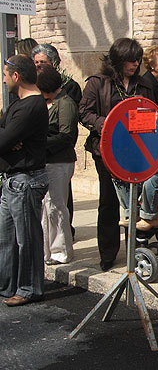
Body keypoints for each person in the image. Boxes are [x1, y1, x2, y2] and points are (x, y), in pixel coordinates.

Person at [79, 37, 155, 271]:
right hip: (105, 151)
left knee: (134, 202)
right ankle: (108, 253)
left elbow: (152, 114)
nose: (134, 64)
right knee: (109, 202)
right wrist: (109, 124)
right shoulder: (97, 83)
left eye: (138, 60)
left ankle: (133, 250)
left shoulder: (143, 84)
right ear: (118, 60)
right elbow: (84, 113)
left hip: (135, 151)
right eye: (130, 60)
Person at [0, 55, 49, 306]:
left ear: (16, 76)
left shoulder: (31, 106)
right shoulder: (17, 104)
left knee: (26, 238)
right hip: (13, 180)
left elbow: (3, 141)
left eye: (6, 74)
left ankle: (29, 288)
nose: (4, 79)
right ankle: (7, 285)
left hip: (26, 180)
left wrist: (8, 139)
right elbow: (6, 135)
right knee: (6, 237)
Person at [37, 64, 78, 265]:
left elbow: (66, 136)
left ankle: (61, 250)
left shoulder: (65, 103)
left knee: (56, 206)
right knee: (47, 206)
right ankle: (47, 250)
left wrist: (39, 144)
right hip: (48, 161)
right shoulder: (50, 102)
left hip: (60, 161)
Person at [113, 147, 158, 231]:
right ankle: (132, 213)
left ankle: (150, 218)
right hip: (146, 174)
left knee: (151, 182)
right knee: (118, 179)